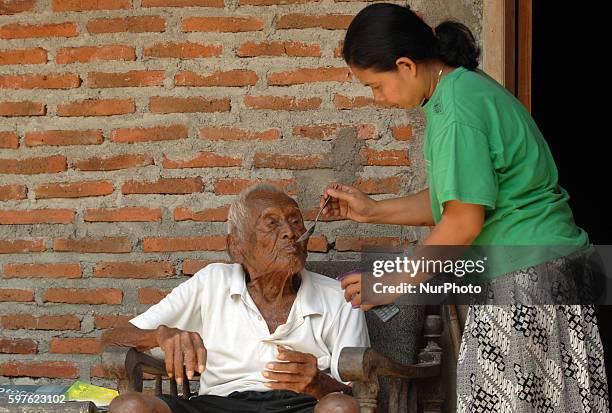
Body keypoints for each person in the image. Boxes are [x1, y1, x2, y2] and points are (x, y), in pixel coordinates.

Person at [319, 3, 609, 412]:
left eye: (375, 86)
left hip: (525, 281)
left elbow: (463, 221)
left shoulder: (455, 110)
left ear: (405, 65)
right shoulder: (458, 91)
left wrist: (392, 283)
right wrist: (372, 210)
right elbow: (457, 202)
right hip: (546, 273)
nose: (379, 98)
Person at [102, 183, 367, 413]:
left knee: (339, 408)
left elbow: (356, 396)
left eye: (296, 221)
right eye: (271, 224)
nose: (290, 232)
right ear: (236, 247)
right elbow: (111, 337)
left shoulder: (340, 295)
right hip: (217, 404)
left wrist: (319, 383)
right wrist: (160, 335)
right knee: (129, 407)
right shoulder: (212, 282)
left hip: (300, 405)